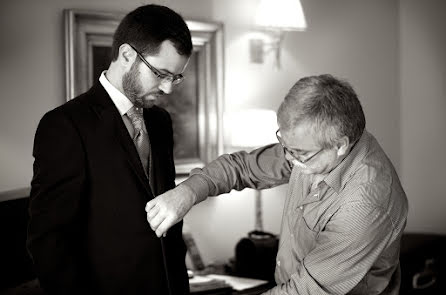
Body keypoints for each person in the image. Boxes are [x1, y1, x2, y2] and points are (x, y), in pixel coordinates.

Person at [146, 74, 409, 294]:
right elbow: (242, 166)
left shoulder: (365, 203)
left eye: (299, 153)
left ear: (340, 145)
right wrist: (189, 191)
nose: (289, 159)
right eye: (285, 145)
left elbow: (305, 291)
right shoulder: (313, 149)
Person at [27, 4, 192, 294]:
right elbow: (50, 242)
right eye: (160, 74)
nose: (167, 89)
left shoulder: (161, 121)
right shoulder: (65, 125)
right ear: (127, 55)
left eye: (175, 78)